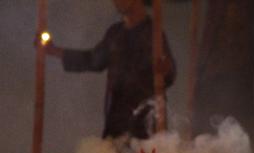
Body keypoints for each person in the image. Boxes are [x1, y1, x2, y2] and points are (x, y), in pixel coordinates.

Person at [44, 0, 176, 139]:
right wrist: (54, 51)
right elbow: (94, 60)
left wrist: (165, 68)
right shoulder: (115, 33)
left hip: (145, 119)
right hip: (117, 120)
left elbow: (168, 75)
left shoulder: (153, 34)